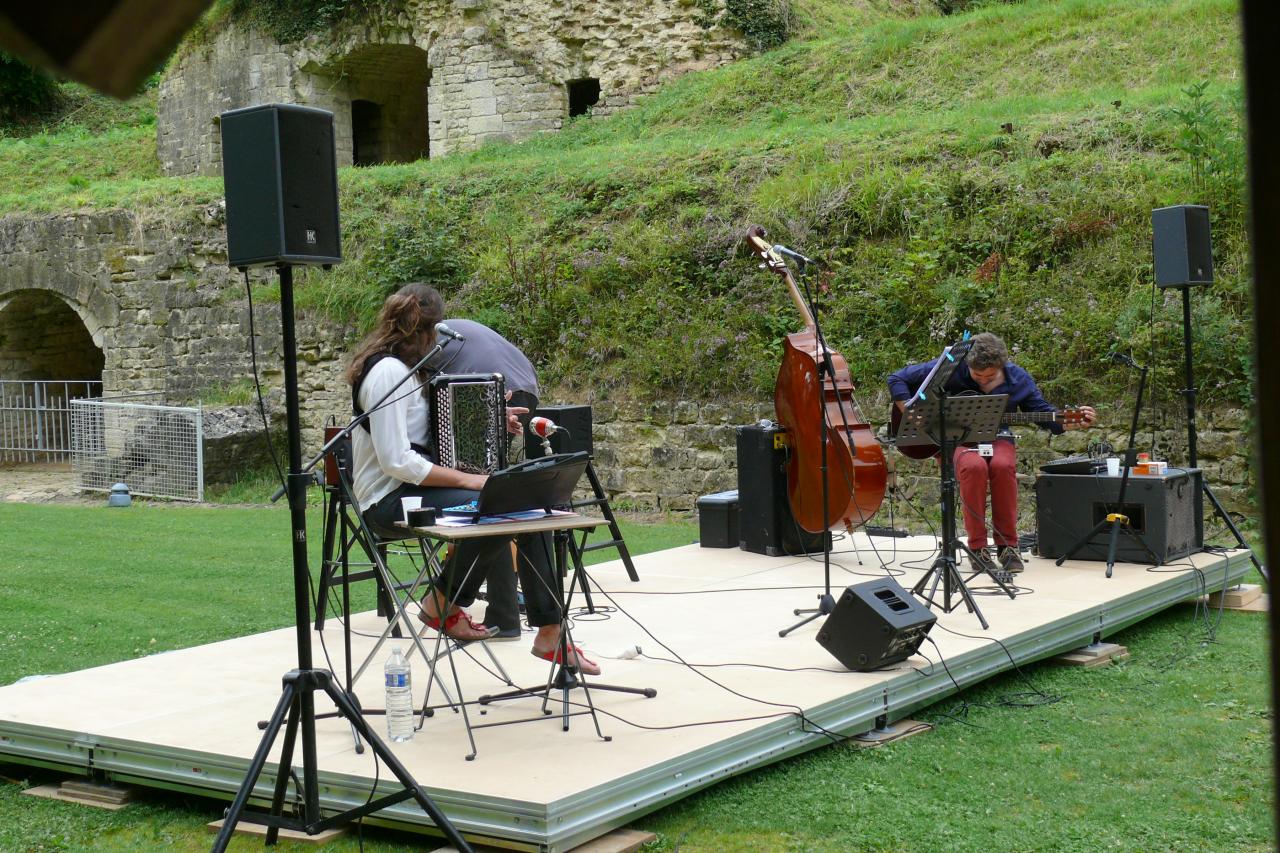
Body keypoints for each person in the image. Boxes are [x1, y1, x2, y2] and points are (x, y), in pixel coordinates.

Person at [346, 282, 600, 675]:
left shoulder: (412, 372)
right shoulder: (388, 373)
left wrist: (496, 419)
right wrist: (472, 482)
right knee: (503, 501)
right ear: (429, 330)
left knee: (526, 503)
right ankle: (446, 602)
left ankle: (549, 629)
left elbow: (435, 429)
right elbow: (398, 462)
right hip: (388, 501)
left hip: (413, 491)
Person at [887, 333, 1097, 574]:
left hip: (998, 437)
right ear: (968, 365)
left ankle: (1008, 545)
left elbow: (1042, 412)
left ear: (1002, 366)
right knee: (973, 467)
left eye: (991, 376)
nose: (985, 381)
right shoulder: (951, 368)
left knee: (1002, 466)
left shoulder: (1017, 378)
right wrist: (911, 411)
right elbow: (897, 379)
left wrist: (1065, 423)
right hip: (958, 439)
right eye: (978, 376)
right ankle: (977, 548)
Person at [424, 317, 541, 641]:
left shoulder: (426, 339)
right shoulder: (454, 329)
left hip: (493, 394)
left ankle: (489, 610)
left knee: (489, 503)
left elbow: (430, 404)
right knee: (494, 500)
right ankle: (503, 616)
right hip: (524, 389)